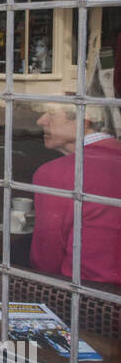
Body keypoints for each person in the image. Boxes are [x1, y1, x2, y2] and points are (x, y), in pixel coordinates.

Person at [30, 101, 121, 285]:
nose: (41, 121)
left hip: (85, 300)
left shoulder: (55, 173)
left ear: (83, 120)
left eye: (51, 114)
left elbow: (46, 260)